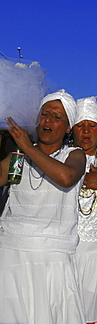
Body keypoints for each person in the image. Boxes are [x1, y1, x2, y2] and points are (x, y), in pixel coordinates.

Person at [0, 89, 86, 324]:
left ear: (68, 128)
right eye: (44, 114)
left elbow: (66, 177)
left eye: (57, 117)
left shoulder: (75, 154)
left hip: (52, 258)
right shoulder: (20, 156)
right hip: (12, 253)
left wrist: (28, 146)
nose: (48, 120)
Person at [72, 96, 97, 324]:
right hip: (65, 254)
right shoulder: (62, 158)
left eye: (92, 125)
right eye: (80, 126)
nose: (86, 131)